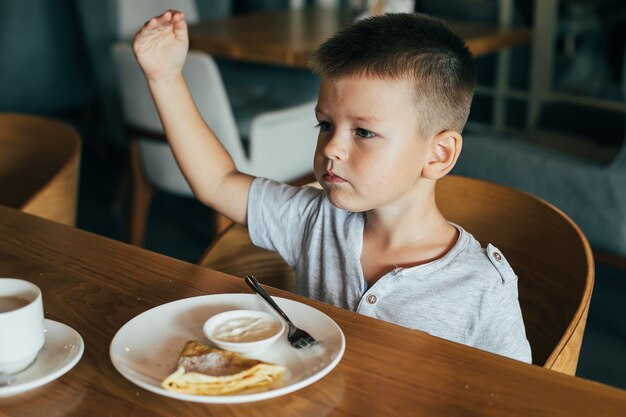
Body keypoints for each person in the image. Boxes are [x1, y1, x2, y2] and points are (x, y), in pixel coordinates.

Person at [133, 10, 532, 363]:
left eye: (364, 132)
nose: (332, 148)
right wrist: (166, 78)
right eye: (325, 125)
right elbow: (217, 182)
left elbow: (519, 399)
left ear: (439, 154)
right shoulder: (316, 219)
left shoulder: (482, 287)